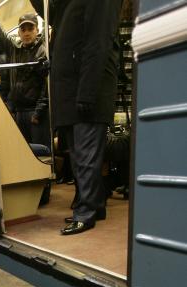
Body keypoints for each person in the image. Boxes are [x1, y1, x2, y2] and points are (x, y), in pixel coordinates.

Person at [48, 0, 122, 235]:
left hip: (87, 88)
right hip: (72, 90)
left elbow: (98, 42)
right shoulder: (67, 6)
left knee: (86, 156)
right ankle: (95, 206)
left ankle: (86, 211)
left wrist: (88, 93)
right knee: (79, 156)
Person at [0, 5, 50, 148]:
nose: (26, 33)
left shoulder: (43, 51)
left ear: (37, 30)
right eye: (23, 29)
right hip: (19, 113)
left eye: (30, 29)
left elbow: (47, 86)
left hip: (36, 113)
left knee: (41, 153)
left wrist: (38, 112)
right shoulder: (14, 50)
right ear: (19, 33)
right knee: (23, 153)